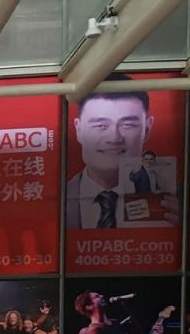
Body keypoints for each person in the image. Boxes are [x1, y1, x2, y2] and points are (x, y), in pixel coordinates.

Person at [65, 79, 179, 228]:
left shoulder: (178, 201)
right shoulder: (55, 198)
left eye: (127, 125)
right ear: (79, 130)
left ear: (147, 129)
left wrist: (184, 226)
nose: (114, 138)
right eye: (100, 125)